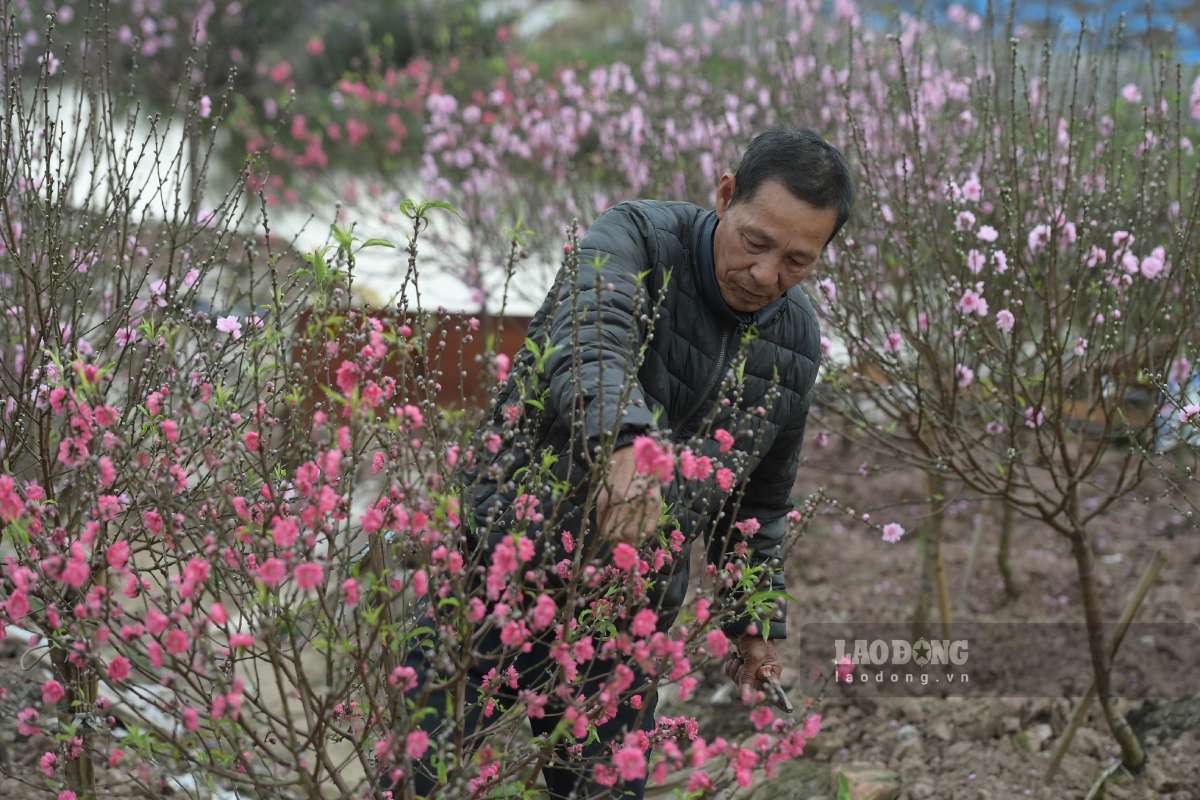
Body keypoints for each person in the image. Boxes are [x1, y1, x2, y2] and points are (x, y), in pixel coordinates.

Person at [393, 127, 853, 799]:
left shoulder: (796, 340)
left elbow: (756, 504)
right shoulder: (635, 237)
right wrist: (626, 446)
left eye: (796, 261)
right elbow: (591, 344)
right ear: (726, 195)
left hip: (625, 616)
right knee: (420, 778)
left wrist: (753, 625)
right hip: (498, 569)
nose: (765, 274)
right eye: (755, 242)